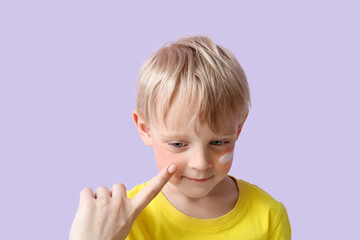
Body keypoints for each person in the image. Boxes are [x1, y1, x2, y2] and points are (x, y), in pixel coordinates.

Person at [69, 35, 291, 240]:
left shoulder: (269, 215)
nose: (200, 163)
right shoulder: (123, 219)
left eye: (218, 142)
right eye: (178, 144)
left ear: (239, 128)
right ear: (145, 128)